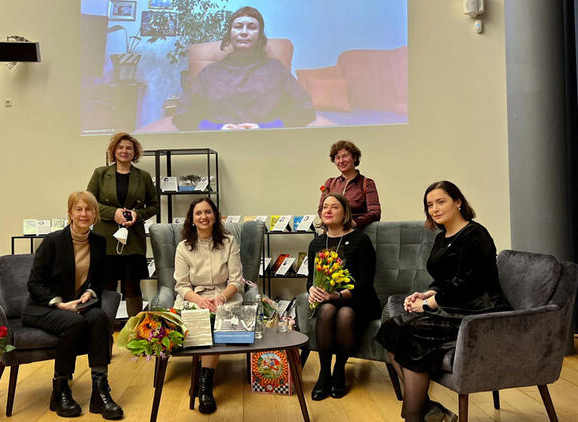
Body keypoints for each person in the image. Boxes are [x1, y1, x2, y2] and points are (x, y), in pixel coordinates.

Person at [375, 181, 510, 422]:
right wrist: (427, 293)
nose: (434, 209)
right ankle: (428, 409)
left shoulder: (476, 234)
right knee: (391, 328)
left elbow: (470, 283)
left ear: (458, 202)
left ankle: (413, 416)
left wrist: (430, 304)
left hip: (480, 312)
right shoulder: (441, 238)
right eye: (429, 205)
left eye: (440, 202)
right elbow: (444, 280)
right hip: (454, 307)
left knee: (413, 334)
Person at [22, 191, 123, 419]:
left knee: (98, 317)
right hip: (44, 308)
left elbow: (100, 279)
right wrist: (59, 304)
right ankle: (60, 391)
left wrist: (90, 291)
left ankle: (100, 392)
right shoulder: (53, 241)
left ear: (95, 214)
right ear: (70, 213)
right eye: (78, 209)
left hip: (77, 305)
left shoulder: (99, 242)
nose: (83, 214)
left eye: (89, 210)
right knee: (73, 323)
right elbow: (34, 283)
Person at [172, 6, 316, 131]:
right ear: (230, 34)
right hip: (219, 142)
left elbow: (305, 109)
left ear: (259, 36)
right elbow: (183, 115)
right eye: (238, 26)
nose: (244, 32)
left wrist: (265, 128)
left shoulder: (275, 69)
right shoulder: (209, 73)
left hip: (268, 141)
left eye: (252, 27)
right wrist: (218, 129)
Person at [173, 197, 244, 414]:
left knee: (218, 321)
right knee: (200, 318)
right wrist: (199, 300)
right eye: (198, 213)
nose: (203, 217)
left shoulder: (229, 241)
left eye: (208, 212)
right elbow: (182, 285)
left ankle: (204, 383)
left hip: (224, 295)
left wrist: (220, 298)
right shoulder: (183, 247)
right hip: (194, 296)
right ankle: (203, 378)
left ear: (215, 216)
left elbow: (237, 281)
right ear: (192, 219)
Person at [307, 193, 381, 401]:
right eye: (325, 207)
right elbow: (311, 279)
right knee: (327, 310)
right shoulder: (316, 243)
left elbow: (366, 282)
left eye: (334, 207)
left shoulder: (360, 240)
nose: (328, 210)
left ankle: (339, 369)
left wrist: (338, 295)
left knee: (345, 314)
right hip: (328, 301)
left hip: (359, 299)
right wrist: (313, 290)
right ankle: (324, 373)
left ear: (345, 212)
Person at [87, 132, 159, 317]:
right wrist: (114, 214)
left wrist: (137, 214)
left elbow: (155, 206)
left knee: (132, 286)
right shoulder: (100, 173)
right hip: (106, 240)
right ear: (113, 151)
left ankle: (135, 330)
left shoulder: (143, 176)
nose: (124, 151)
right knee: (107, 286)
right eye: (120, 147)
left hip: (133, 240)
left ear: (135, 152)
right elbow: (89, 202)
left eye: (129, 148)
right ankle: (104, 328)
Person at [319, 140, 381, 228]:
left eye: (345, 156)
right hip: (333, 232)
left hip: (356, 231)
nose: (341, 161)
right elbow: (321, 209)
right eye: (337, 157)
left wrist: (354, 223)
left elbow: (375, 213)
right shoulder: (329, 183)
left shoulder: (367, 183)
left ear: (354, 158)